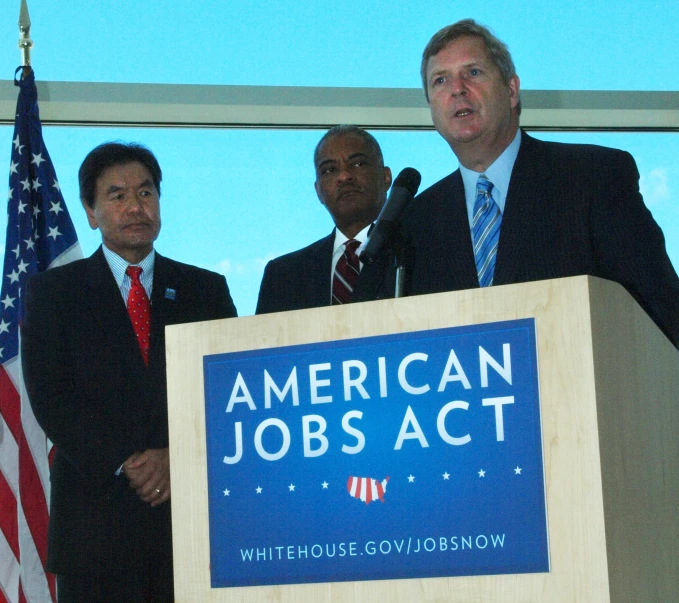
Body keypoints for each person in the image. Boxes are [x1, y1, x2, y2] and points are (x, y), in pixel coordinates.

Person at [21, 142, 237, 602]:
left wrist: (175, 457)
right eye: (117, 196)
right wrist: (129, 461)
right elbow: (51, 399)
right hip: (94, 531)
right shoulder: (54, 294)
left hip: (193, 524)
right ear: (91, 211)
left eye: (145, 193)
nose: (135, 207)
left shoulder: (206, 289)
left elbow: (228, 392)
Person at [403, 19, 679, 347]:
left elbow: (660, 311)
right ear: (431, 108)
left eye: (473, 72)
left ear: (511, 90)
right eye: (440, 80)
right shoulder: (415, 221)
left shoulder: (594, 177)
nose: (457, 88)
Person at [256, 125, 395, 313]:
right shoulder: (283, 275)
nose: (344, 176)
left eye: (358, 164)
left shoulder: (419, 252)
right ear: (318, 191)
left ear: (386, 177)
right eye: (329, 170)